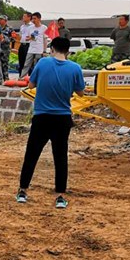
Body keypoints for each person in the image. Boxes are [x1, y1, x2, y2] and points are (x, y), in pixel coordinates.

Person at [17, 37, 85, 209]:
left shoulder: (42, 63)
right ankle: (60, 196)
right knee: (60, 157)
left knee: (31, 154)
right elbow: (81, 92)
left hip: (41, 117)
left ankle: (22, 191)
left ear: (52, 48)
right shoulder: (75, 68)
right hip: (62, 118)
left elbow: (31, 84)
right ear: (68, 51)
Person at [20, 12, 48, 77]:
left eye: (35, 18)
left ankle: (36, 78)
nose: (33, 20)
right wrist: (29, 38)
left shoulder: (44, 28)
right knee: (26, 64)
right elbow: (29, 37)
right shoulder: (30, 28)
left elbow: (45, 40)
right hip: (31, 49)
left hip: (39, 50)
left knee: (36, 65)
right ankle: (22, 77)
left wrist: (44, 50)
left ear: (39, 19)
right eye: (32, 19)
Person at [0, 15, 14, 81]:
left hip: (5, 48)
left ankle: (6, 77)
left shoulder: (10, 28)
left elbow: (13, 39)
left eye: (1, 19)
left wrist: (6, 39)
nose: (0, 21)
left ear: (5, 21)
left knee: (5, 63)